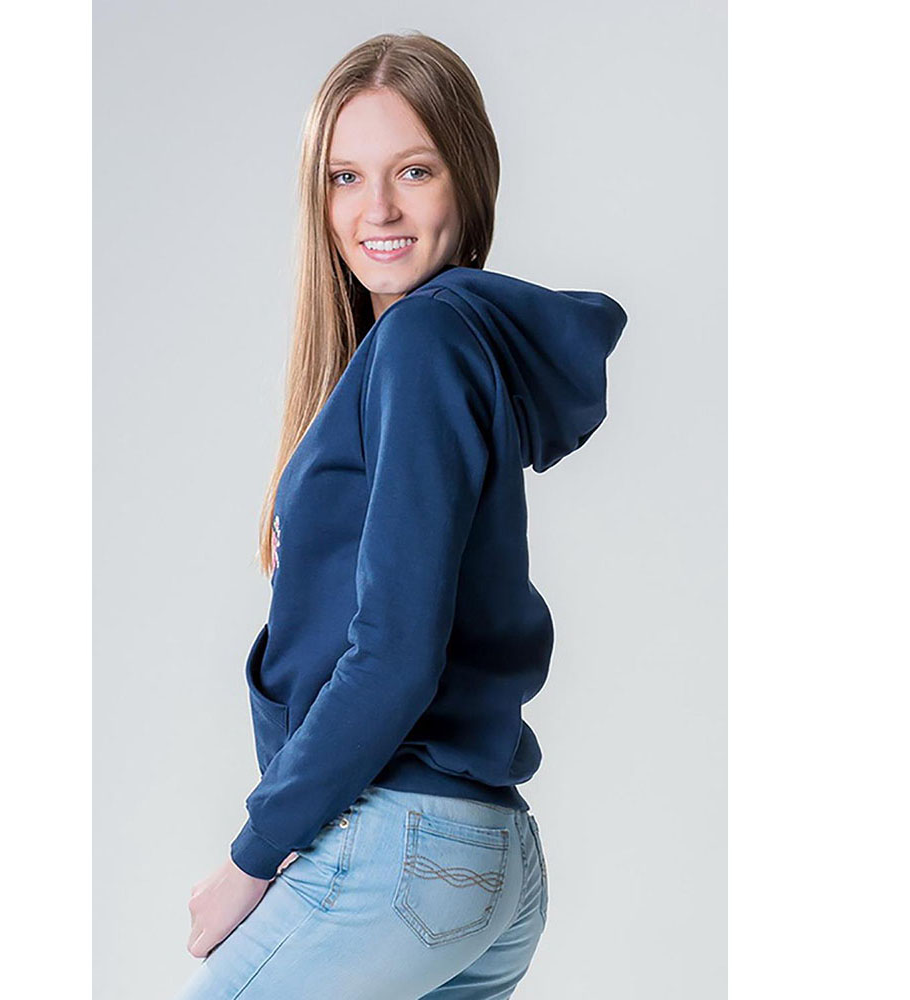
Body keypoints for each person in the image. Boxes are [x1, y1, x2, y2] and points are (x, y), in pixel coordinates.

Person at [175, 30, 627, 1000]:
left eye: (413, 171)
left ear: (468, 179)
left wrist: (253, 855)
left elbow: (394, 651)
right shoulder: (431, 350)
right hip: (483, 856)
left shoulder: (425, 339)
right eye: (344, 177)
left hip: (403, 846)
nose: (375, 208)